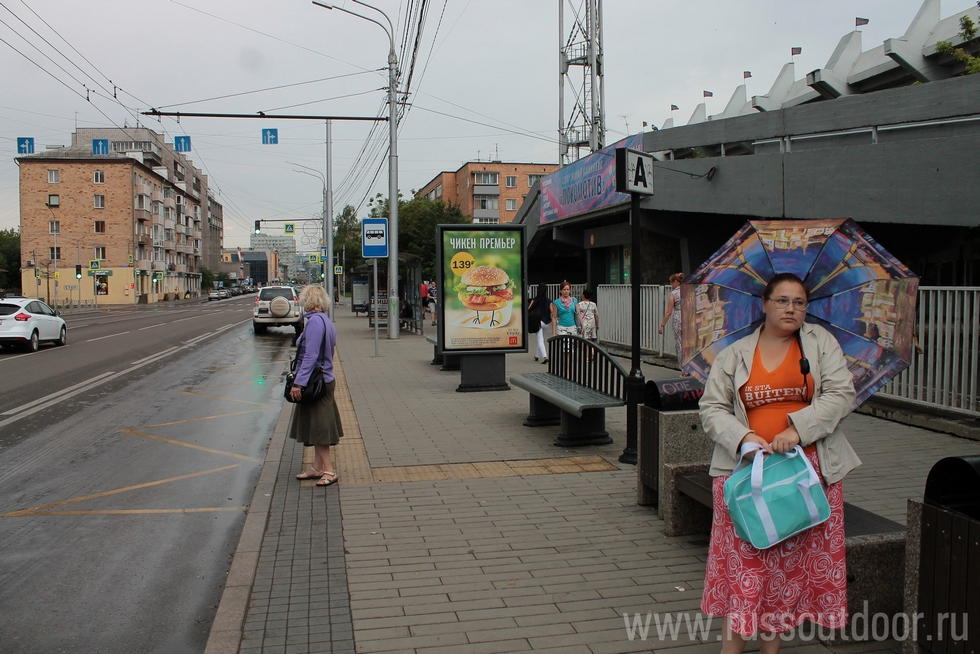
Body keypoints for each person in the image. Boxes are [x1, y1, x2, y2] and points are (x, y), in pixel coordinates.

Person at [699, 272, 859, 652]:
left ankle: (772, 649)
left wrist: (798, 430)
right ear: (764, 305)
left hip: (806, 473)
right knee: (745, 565)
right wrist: (743, 438)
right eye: (783, 300)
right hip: (746, 474)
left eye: (800, 302)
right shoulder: (734, 353)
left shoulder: (821, 345)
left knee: (787, 571)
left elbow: (841, 394)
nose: (791, 308)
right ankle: (731, 649)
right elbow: (711, 408)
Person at [289, 285, 344, 487]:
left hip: (315, 381)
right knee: (316, 423)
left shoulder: (313, 323)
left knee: (319, 427)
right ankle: (317, 467)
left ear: (308, 301)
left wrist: (299, 383)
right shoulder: (326, 321)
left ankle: (329, 470)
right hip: (325, 378)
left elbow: (311, 356)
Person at [658, 272, 684, 365]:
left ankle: (684, 369)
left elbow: (669, 312)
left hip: (679, 319)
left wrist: (662, 325)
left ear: (676, 281)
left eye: (671, 282)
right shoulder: (689, 291)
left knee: (680, 344)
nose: (671, 284)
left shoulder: (673, 294)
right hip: (689, 318)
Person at [527, 283, 552, 363]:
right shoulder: (549, 301)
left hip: (538, 322)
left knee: (540, 340)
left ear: (538, 290)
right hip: (547, 323)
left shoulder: (535, 299)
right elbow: (552, 312)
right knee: (540, 339)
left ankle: (545, 357)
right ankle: (536, 356)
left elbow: (528, 309)